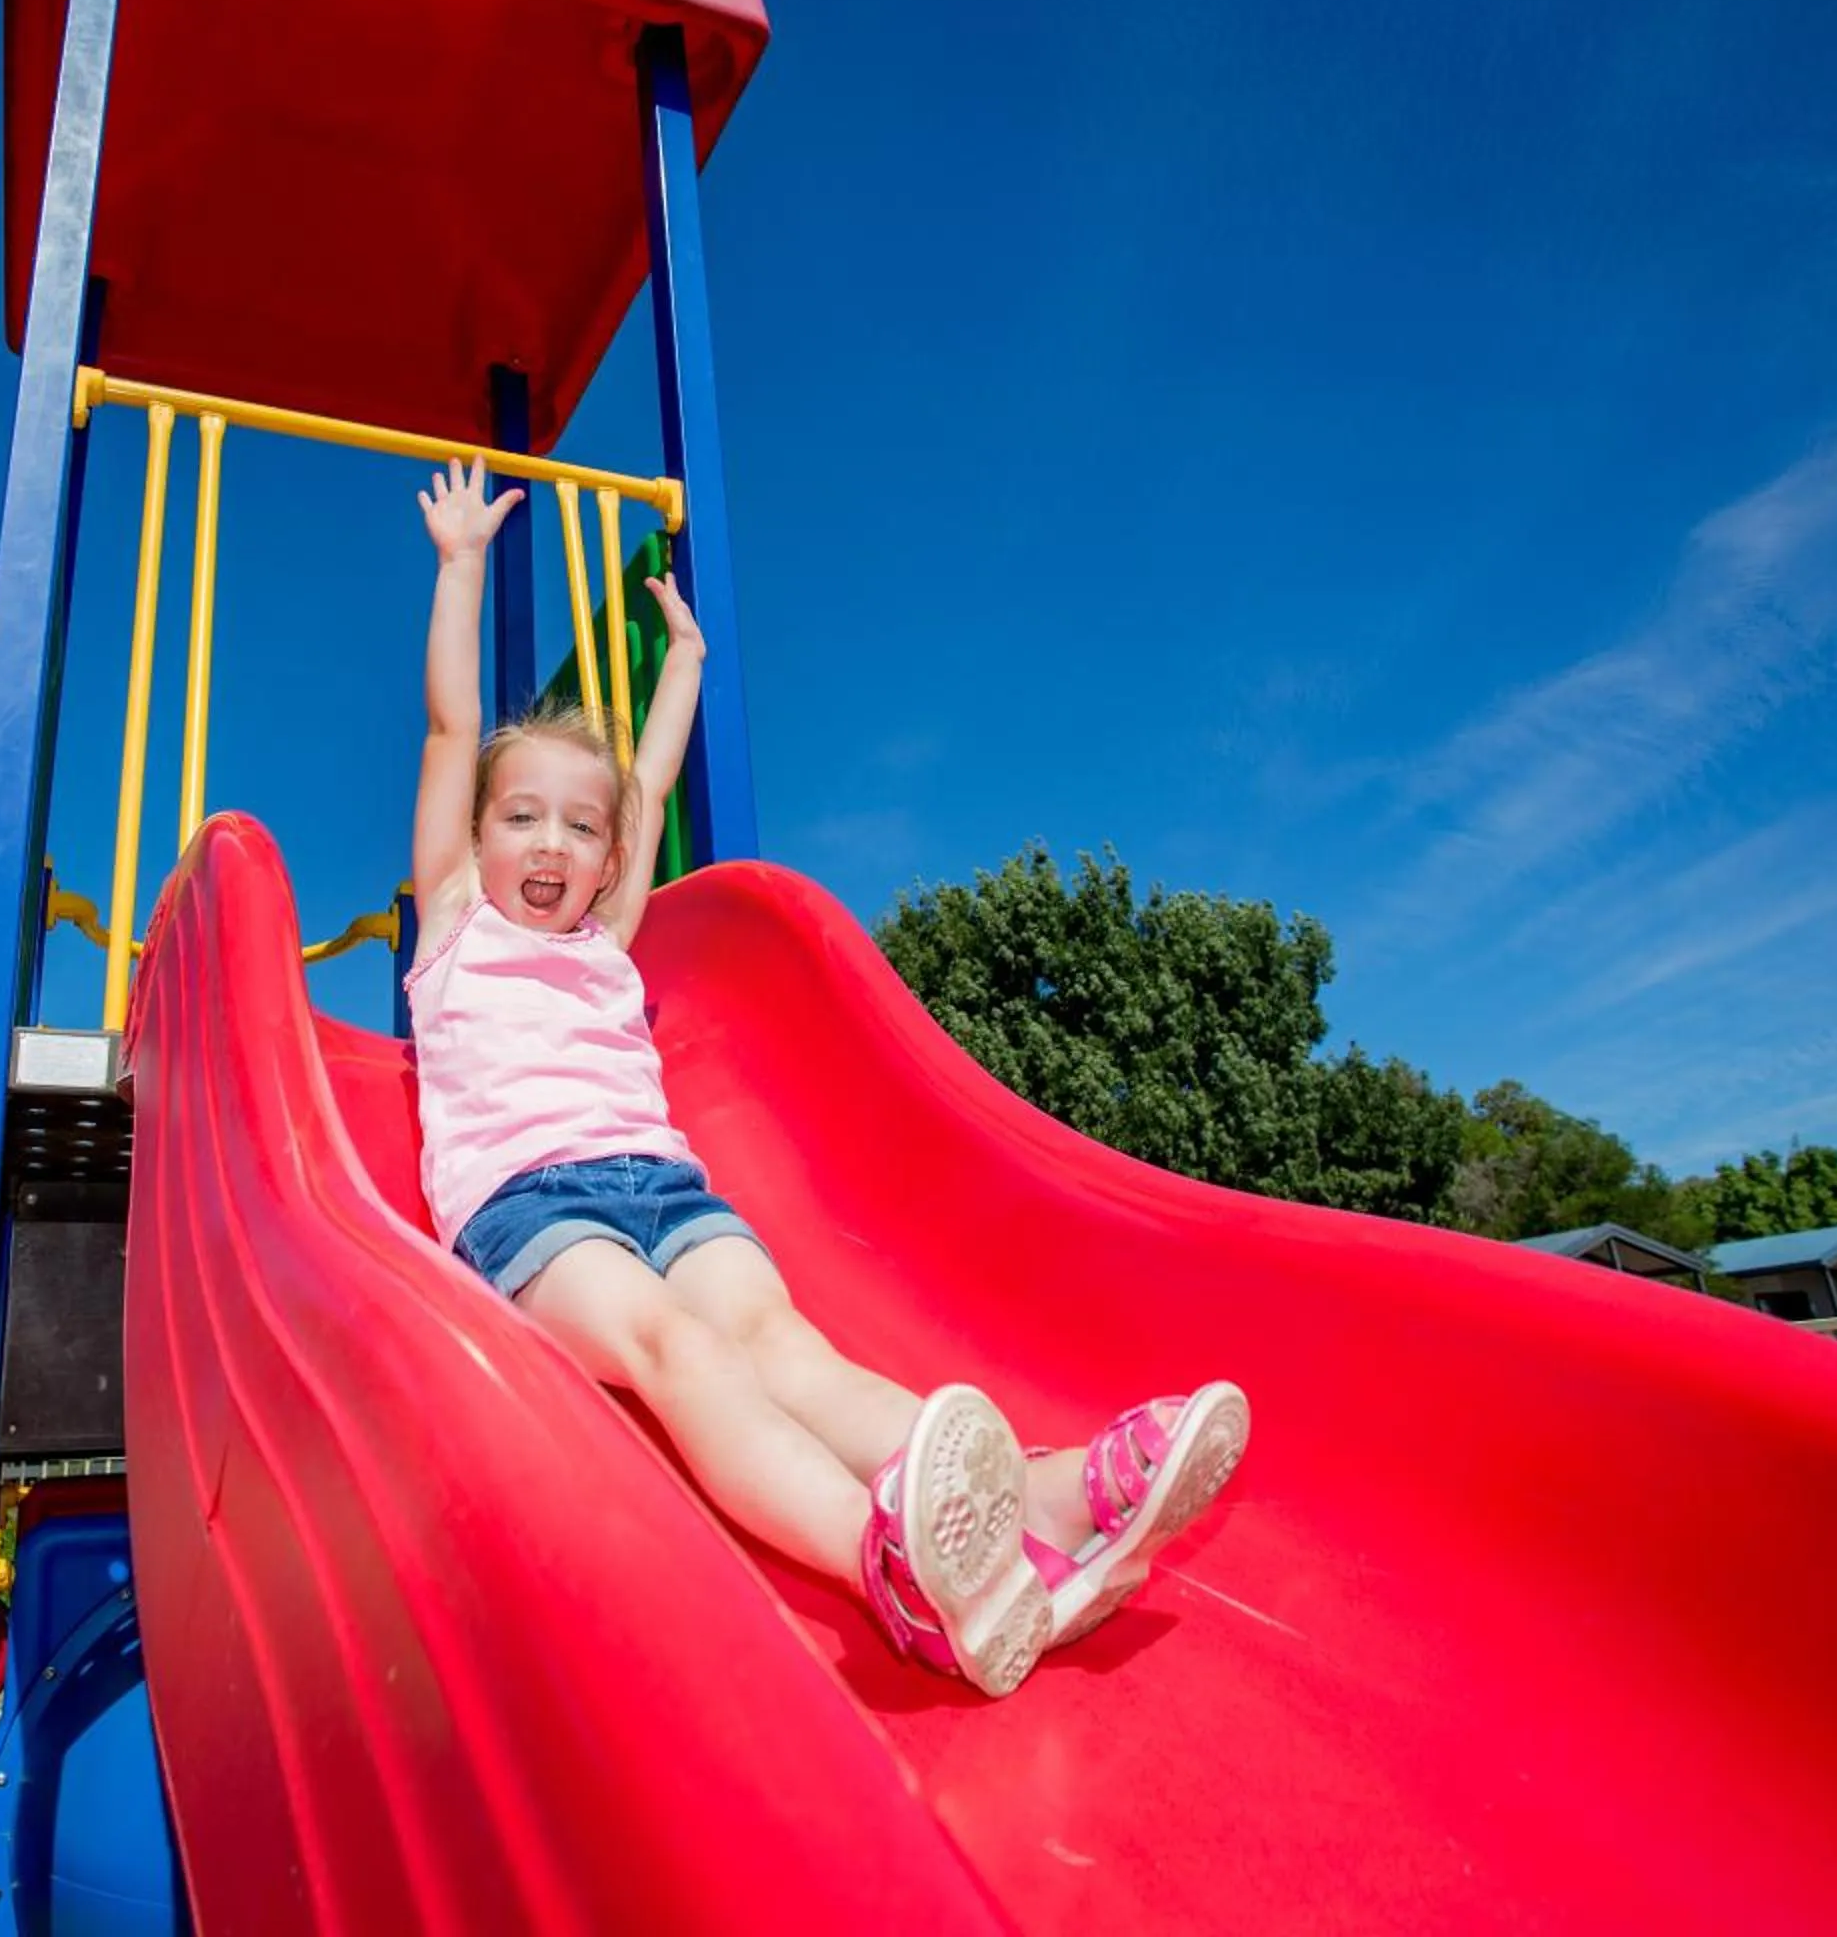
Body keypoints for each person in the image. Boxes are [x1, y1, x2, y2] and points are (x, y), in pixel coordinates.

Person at [404, 460, 1247, 1695]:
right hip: (533, 1205)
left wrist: (685, 663)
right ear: (477, 835)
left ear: (608, 858)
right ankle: (885, 1563)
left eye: (580, 827)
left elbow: (647, 782)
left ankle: (1045, 1500)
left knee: (784, 1346)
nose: (552, 842)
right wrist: (463, 564)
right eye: (520, 816)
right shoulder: (455, 922)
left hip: (667, 1188)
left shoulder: (606, 937)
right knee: (677, 1347)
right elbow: (449, 728)